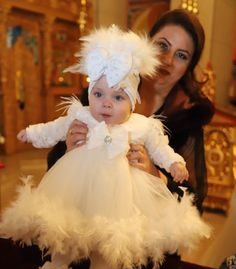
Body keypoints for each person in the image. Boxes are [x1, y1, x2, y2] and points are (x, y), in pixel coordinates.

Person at [0, 25, 211, 269]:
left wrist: (172, 164)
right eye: (98, 95)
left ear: (133, 102)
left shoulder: (143, 126)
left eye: (118, 97)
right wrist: (32, 133)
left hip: (121, 195)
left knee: (110, 243)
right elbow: (56, 128)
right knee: (65, 227)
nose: (106, 104)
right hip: (77, 183)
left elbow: (162, 148)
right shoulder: (84, 116)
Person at [60, 9, 215, 213]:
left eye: (181, 55)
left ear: (189, 66)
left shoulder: (188, 116)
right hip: (87, 215)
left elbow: (193, 203)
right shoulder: (101, 93)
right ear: (146, 45)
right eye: (162, 45)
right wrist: (69, 149)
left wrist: (153, 172)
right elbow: (55, 168)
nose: (167, 60)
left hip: (145, 232)